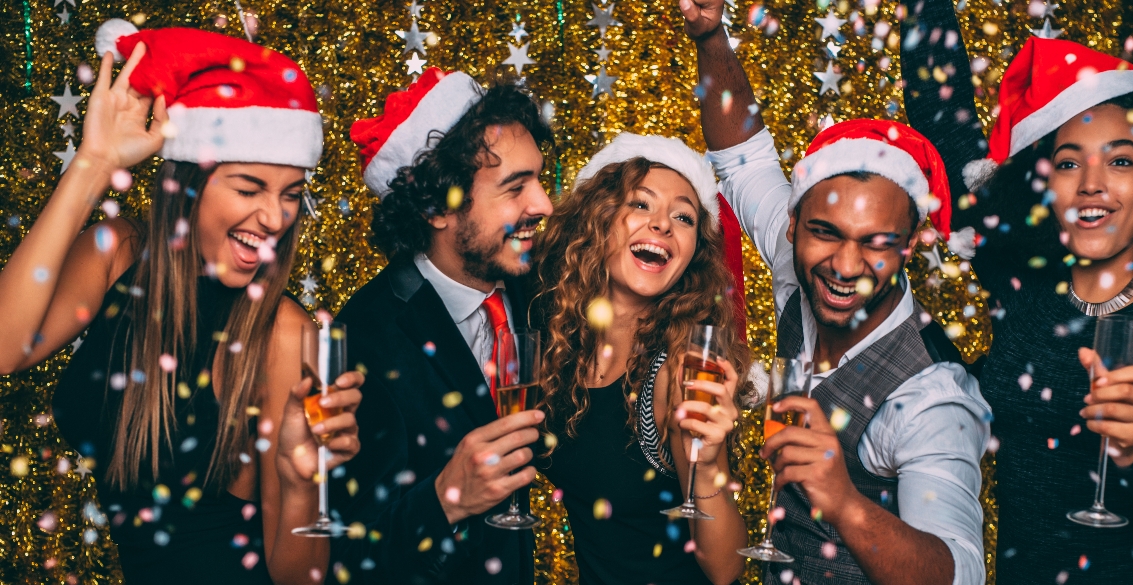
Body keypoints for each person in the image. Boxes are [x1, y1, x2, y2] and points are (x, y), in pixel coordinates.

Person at [899, 2, 1133, 582]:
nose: (1093, 184)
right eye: (1069, 163)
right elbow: (943, 122)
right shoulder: (1029, 287)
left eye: (1120, 161)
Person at [0, 20, 364, 584]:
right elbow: (4, 347)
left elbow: (298, 578)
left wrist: (299, 482)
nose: (275, 218)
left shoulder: (285, 334)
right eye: (249, 188)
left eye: (291, 194)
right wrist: (93, 167)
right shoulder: (114, 254)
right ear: (188, 185)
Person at [680, 2, 992, 584]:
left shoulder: (933, 395)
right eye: (825, 233)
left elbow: (963, 574)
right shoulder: (798, 260)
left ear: (912, 243)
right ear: (794, 224)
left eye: (876, 243)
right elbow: (744, 160)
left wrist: (844, 501)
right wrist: (710, 35)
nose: (844, 266)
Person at [331, 68, 552, 584]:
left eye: (539, 180)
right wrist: (444, 499)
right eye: (515, 188)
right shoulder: (365, 339)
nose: (542, 204)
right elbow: (345, 557)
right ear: (436, 206)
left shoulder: (533, 289)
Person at [530, 133, 752, 585]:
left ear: (693, 253)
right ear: (598, 219)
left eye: (684, 217)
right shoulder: (557, 338)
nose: (663, 225)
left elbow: (726, 568)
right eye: (641, 204)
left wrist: (707, 466)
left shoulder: (678, 368)